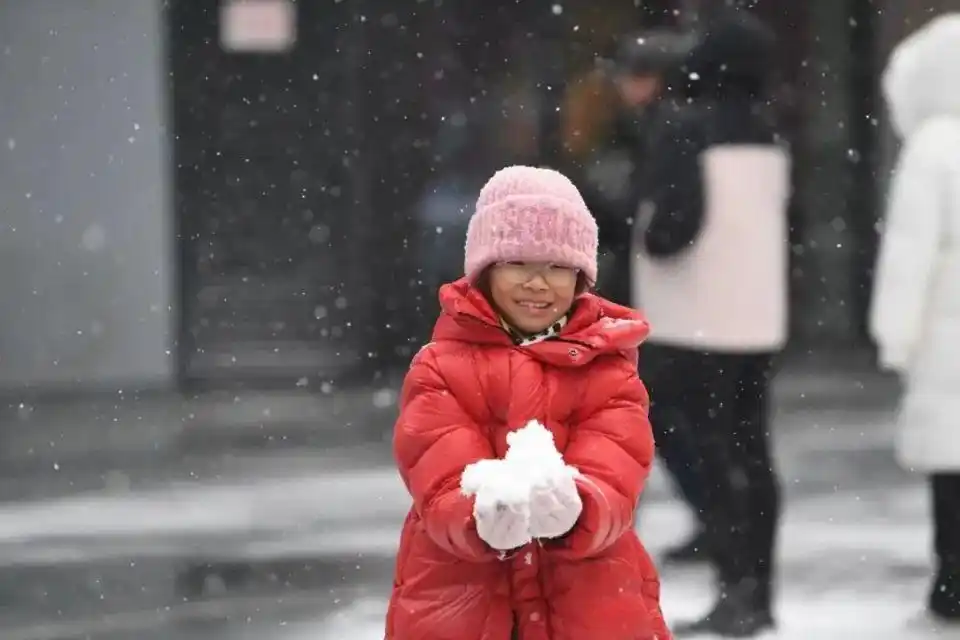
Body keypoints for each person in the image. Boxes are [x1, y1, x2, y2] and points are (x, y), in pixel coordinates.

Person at [385, 165, 670, 639]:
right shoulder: (440, 366)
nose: (538, 284)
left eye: (557, 267)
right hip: (462, 594)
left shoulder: (608, 369)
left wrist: (581, 508)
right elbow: (435, 469)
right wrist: (474, 514)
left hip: (589, 595)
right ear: (485, 270)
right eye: (519, 263)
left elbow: (618, 464)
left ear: (581, 276)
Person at [631, 9, 789, 636]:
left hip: (692, 316)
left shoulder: (684, 127)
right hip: (755, 315)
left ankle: (734, 586)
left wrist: (638, 223)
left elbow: (671, 228)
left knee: (702, 444)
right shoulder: (769, 131)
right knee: (752, 453)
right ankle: (757, 589)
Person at [870, 13, 960, 628]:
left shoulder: (934, 148)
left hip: (947, 337)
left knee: (951, 464)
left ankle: (951, 581)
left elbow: (909, 254)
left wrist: (894, 336)